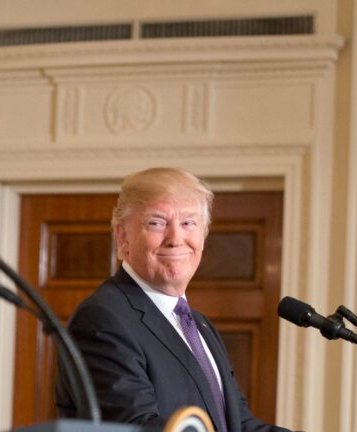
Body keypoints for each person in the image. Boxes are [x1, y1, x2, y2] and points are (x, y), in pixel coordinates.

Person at [55, 168, 290, 432]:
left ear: (203, 235)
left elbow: (240, 426)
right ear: (123, 237)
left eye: (188, 223)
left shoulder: (199, 325)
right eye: (157, 222)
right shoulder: (103, 319)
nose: (176, 239)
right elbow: (134, 426)